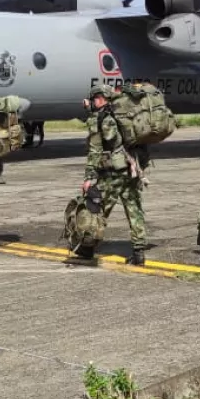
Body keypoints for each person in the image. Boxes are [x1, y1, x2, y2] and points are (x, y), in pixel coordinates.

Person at [68, 84, 148, 266]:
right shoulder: (121, 115)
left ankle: (87, 247)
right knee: (134, 209)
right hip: (131, 168)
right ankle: (139, 251)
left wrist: (89, 177)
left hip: (113, 172)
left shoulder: (101, 118)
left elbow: (95, 150)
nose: (93, 101)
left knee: (97, 208)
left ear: (102, 98)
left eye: (95, 98)